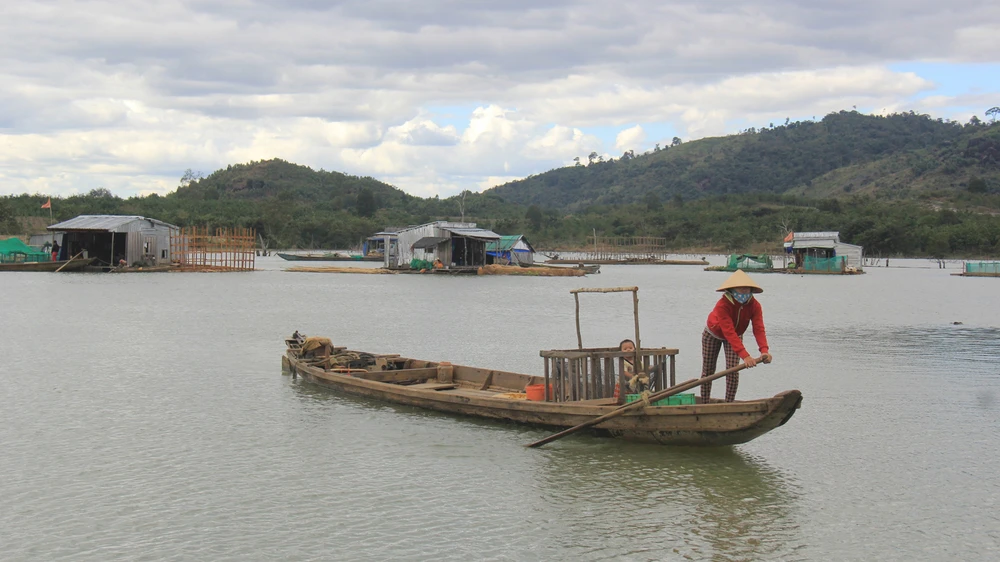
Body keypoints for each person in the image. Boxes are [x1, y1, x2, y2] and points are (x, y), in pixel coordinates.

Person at [701, 269, 772, 403]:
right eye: (740, 289)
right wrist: (745, 355)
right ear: (732, 290)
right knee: (708, 372)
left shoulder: (755, 306)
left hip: (736, 336)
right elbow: (728, 331)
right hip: (713, 333)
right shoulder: (723, 305)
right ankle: (704, 404)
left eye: (747, 289)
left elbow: (759, 329)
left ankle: (729, 404)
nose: (744, 292)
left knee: (733, 372)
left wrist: (764, 350)